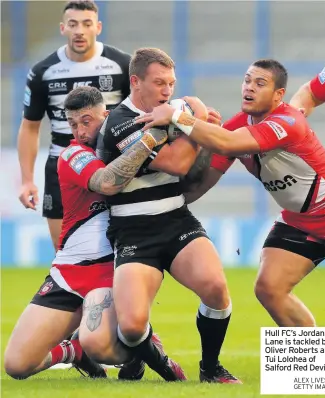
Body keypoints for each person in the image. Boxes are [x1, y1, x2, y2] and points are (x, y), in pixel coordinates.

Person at [137, 58, 325, 328]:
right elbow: (202, 182)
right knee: (270, 289)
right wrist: (156, 205)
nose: (250, 87)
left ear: (279, 95)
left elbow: (227, 142)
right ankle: (312, 370)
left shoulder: (288, 121)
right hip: (300, 220)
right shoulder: (236, 126)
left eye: (260, 83)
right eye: (247, 80)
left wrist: (178, 116)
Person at [5, 86, 184, 382]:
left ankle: (144, 350)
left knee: (100, 346)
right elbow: (108, 182)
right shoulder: (73, 154)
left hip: (112, 271)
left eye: (86, 121)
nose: (78, 131)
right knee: (17, 365)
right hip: (68, 272)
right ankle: (74, 351)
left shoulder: (128, 143)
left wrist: (193, 121)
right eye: (72, 124)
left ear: (107, 115)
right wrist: (153, 137)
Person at [96, 47, 241, 384]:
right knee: (131, 327)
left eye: (171, 83)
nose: (167, 90)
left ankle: (210, 368)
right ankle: (149, 360)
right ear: (135, 81)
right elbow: (175, 163)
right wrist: (198, 118)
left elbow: (190, 173)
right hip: (134, 233)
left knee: (217, 289)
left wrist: (199, 136)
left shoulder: (174, 113)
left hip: (176, 221)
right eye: (159, 82)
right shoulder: (120, 122)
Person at [18, 0, 131, 250]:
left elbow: (138, 114)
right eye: (73, 24)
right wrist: (27, 180)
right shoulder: (43, 71)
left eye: (86, 23)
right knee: (64, 252)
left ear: (98, 27)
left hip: (110, 165)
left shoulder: (122, 65)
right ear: (63, 28)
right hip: (62, 167)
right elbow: (29, 126)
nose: (79, 30)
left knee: (119, 251)